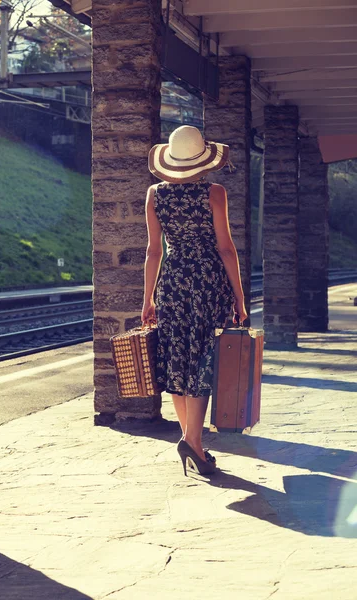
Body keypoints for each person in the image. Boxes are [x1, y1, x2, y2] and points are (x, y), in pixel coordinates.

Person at [141, 125, 248, 476]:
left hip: (171, 282)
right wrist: (240, 298)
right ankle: (193, 442)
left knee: (176, 356)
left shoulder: (154, 195)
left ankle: (192, 441)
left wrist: (148, 299)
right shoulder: (214, 193)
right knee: (202, 358)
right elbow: (225, 248)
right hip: (207, 282)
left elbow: (154, 251)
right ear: (203, 160)